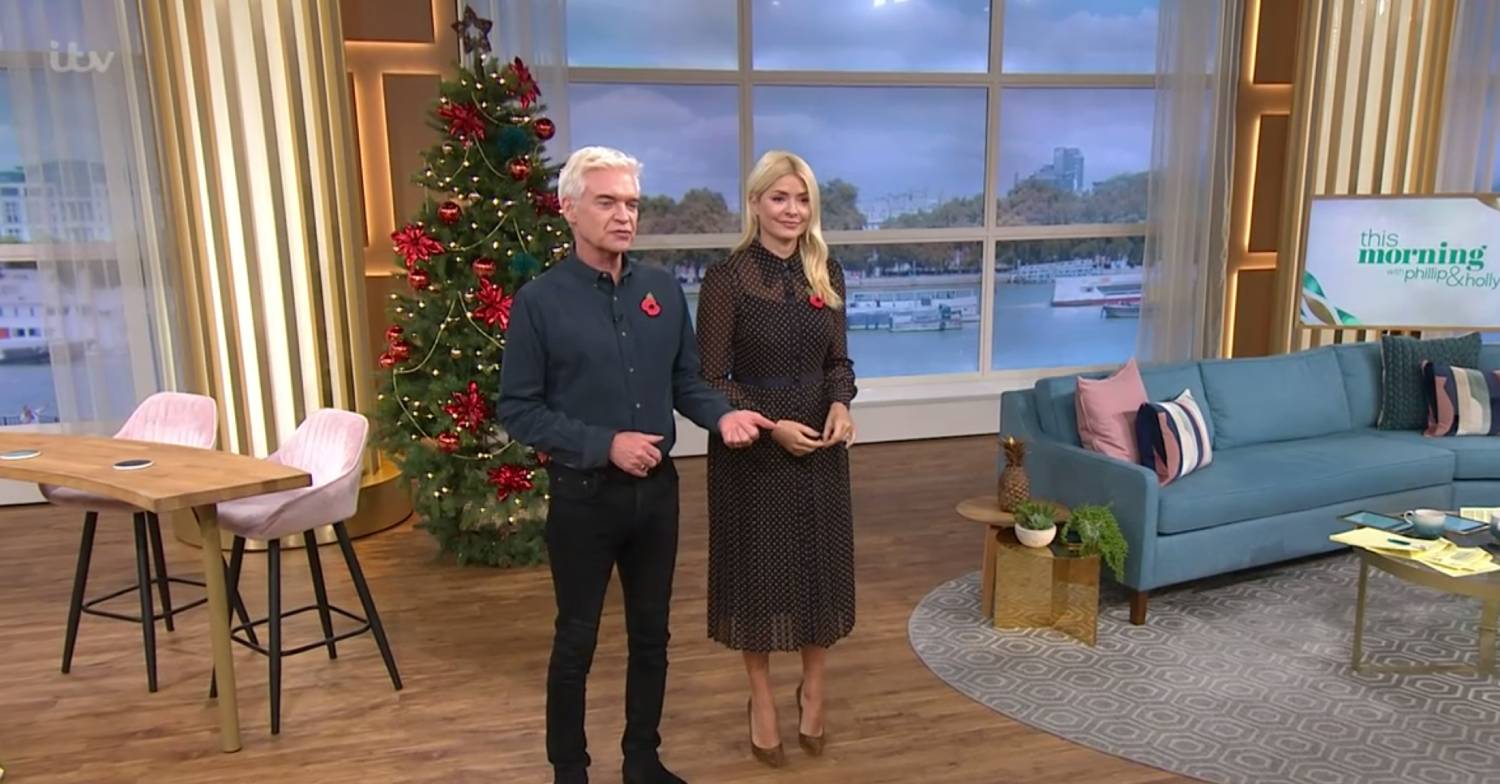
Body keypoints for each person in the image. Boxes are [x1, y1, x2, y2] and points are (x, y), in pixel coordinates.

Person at [499, 146, 774, 784]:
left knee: (653, 636)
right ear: (569, 210)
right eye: (607, 202)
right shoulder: (539, 302)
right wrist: (605, 444)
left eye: (631, 204)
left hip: (658, 496)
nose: (624, 216)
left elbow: (688, 381)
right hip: (584, 497)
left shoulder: (660, 290)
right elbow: (519, 410)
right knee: (577, 641)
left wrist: (722, 415)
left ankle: (642, 760)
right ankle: (570, 769)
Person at [695, 150, 857, 768]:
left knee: (817, 568)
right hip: (753, 451)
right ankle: (760, 697)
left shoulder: (827, 271)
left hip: (819, 447)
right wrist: (772, 426)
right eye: (779, 198)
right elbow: (712, 378)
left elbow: (839, 362)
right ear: (757, 203)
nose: (792, 210)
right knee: (758, 577)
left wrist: (841, 403)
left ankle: (814, 687)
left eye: (802, 199)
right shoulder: (727, 279)